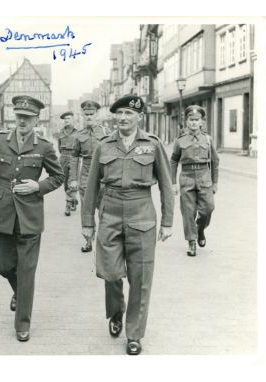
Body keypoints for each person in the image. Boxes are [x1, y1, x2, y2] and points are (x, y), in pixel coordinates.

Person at [81, 95, 174, 355]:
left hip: (141, 212)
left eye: (129, 114)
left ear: (139, 117)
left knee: (141, 278)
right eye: (119, 113)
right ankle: (116, 311)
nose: (123, 118)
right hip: (109, 213)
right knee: (110, 273)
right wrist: (88, 222)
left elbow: (166, 185)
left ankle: (134, 333)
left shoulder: (152, 145)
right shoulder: (104, 145)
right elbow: (91, 187)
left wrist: (167, 222)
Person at [0, 95, 64, 342]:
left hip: (29, 216)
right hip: (2, 214)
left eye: (27, 118)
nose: (22, 121)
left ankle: (22, 323)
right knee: (5, 267)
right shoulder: (0, 140)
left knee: (26, 272)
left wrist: (37, 186)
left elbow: (58, 177)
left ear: (36, 119)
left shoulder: (44, 146)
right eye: (19, 117)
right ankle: (19, 293)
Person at [170, 105, 219, 257]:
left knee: (208, 208)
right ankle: (192, 242)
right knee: (188, 212)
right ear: (186, 122)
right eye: (190, 120)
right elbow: (173, 161)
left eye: (196, 120)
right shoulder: (180, 141)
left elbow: (215, 161)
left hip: (204, 177)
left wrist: (215, 182)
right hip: (187, 177)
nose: (193, 123)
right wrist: (173, 183)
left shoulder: (208, 139)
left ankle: (200, 229)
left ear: (201, 122)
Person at [69, 100, 108, 252]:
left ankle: (104, 240)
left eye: (92, 114)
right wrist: (73, 179)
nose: (89, 117)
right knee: (86, 210)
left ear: (97, 115)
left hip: (103, 176)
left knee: (105, 209)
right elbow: (74, 158)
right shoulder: (79, 136)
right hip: (85, 175)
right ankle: (88, 240)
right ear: (83, 116)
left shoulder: (106, 134)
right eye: (86, 114)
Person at [57, 111, 79, 216]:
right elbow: (59, 147)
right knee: (65, 183)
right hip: (63, 158)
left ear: (73, 119)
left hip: (74, 157)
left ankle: (68, 205)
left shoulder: (78, 132)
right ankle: (73, 199)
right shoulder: (60, 132)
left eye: (68, 118)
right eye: (65, 119)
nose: (66, 120)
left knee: (72, 181)